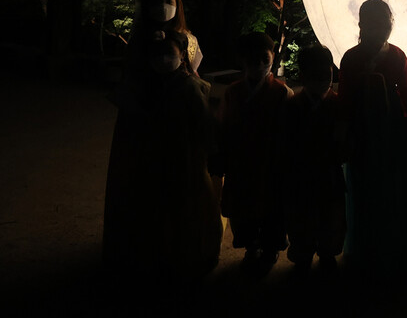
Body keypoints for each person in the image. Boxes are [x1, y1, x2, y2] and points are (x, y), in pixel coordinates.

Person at [102, 31, 222, 282]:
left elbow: (205, 124)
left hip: (186, 159)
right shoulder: (146, 85)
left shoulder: (191, 86)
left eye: (170, 54)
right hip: (154, 159)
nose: (164, 60)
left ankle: (191, 257)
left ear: (182, 57)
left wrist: (212, 152)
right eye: (158, 55)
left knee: (187, 210)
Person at [337, 0, 407, 280]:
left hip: (380, 131)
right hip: (378, 131)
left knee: (378, 187)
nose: (384, 26)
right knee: (381, 187)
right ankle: (387, 248)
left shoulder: (359, 57)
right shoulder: (391, 56)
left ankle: (375, 248)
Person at [213, 32, 292, 276]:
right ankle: (251, 247)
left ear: (272, 57)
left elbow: (288, 135)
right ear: (242, 60)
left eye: (263, 58)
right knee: (242, 212)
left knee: (272, 210)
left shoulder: (282, 93)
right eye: (252, 59)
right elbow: (223, 128)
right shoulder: (232, 92)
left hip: (271, 164)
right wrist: (220, 157)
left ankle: (269, 249)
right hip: (240, 163)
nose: (259, 64)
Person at [283, 44, 347, 276]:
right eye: (317, 75)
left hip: (324, 171)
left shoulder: (337, 104)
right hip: (305, 172)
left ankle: (325, 253)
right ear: (303, 75)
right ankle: (305, 254)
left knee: (329, 217)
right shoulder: (293, 106)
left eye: (327, 74)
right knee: (304, 218)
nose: (323, 80)